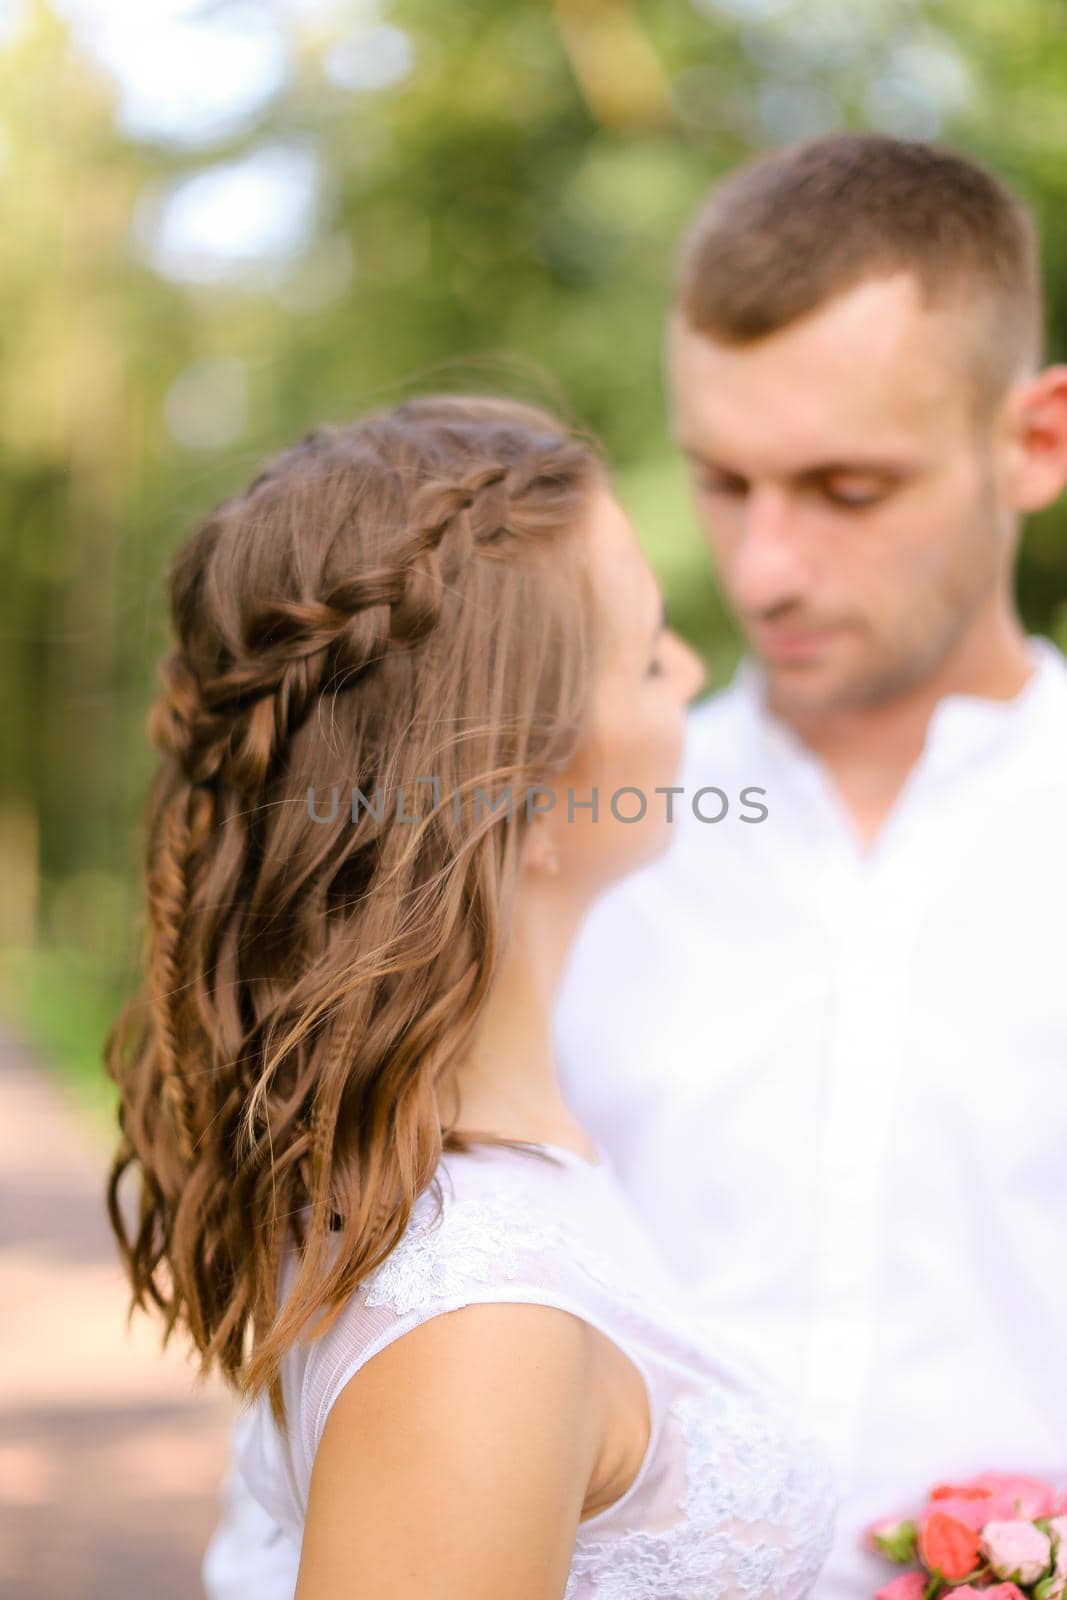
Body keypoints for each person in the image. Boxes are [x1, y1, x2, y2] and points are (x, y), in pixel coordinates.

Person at [103, 394, 838, 1599]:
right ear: (529, 792)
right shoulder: (476, 1328)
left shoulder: (502, 1173)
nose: (696, 675)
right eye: (651, 654)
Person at [553, 133, 1067, 1598]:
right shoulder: (565, 848)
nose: (761, 566)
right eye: (721, 481)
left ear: (1028, 443)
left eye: (844, 489)